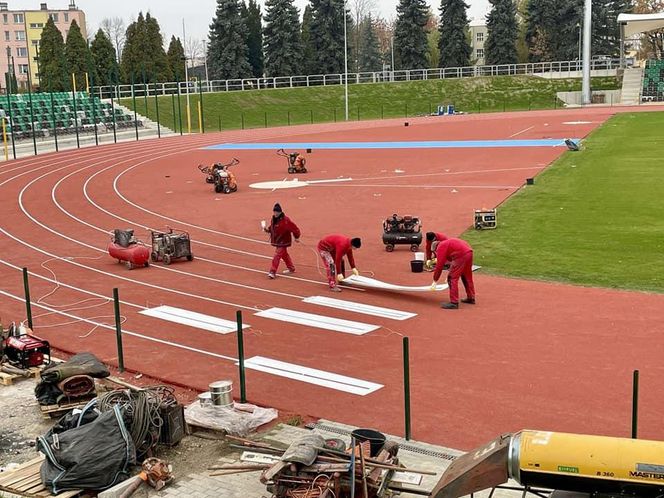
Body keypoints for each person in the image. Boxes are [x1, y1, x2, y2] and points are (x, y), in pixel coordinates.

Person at [430, 238, 476, 309]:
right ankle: (471, 297)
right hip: (469, 252)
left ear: (436, 248)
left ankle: (454, 302)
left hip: (461, 255)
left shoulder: (440, 247)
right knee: (466, 275)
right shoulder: (445, 243)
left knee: (452, 278)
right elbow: (450, 262)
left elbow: (439, 266)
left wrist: (435, 280)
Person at [264, 203, 301, 279]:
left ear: (280, 212)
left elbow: (295, 229)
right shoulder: (273, 219)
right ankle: (291, 268)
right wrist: (267, 230)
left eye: (277, 212)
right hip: (278, 241)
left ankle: (272, 271)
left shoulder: (286, 220)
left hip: (283, 241)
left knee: (277, 255)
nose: (275, 213)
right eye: (274, 211)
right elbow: (272, 227)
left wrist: (296, 237)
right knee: (284, 255)